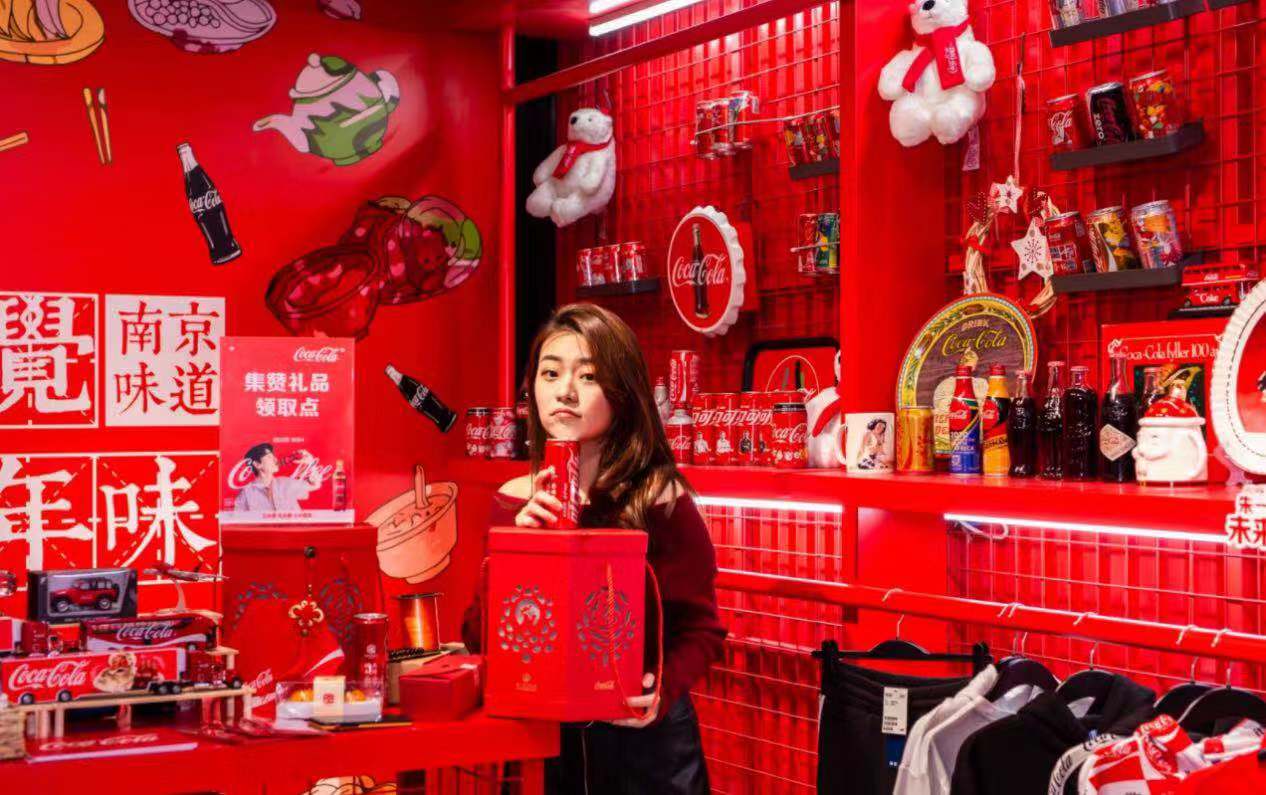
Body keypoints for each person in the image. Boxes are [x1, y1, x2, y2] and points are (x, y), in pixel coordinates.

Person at [464, 303, 726, 794]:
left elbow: (702, 628)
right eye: (550, 373)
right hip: (542, 743)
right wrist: (516, 553)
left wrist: (660, 692)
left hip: (643, 750)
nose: (564, 391)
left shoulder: (659, 500)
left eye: (588, 376)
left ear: (622, 392)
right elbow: (480, 635)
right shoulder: (513, 501)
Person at [233, 443, 321, 512]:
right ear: (257, 464)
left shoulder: (286, 483)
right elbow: (238, 520)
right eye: (269, 457)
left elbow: (314, 485)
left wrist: (310, 463)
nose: (275, 460)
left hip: (293, 530)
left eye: (273, 456)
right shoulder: (246, 493)